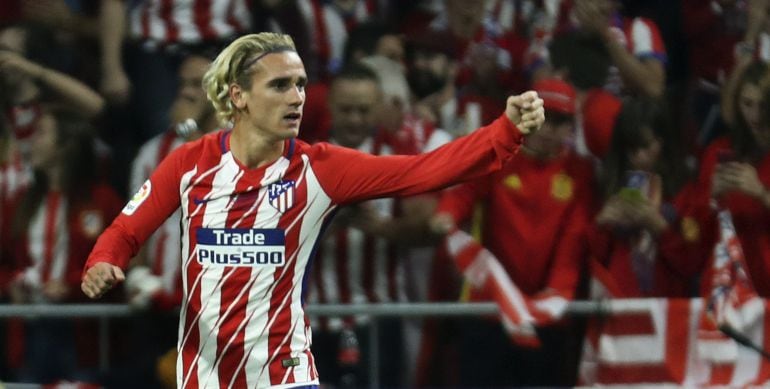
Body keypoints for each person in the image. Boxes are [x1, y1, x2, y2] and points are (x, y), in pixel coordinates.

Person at [80, 32, 544, 388]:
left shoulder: (319, 169)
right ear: (239, 96)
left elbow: (424, 170)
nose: (297, 97)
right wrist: (104, 260)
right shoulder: (188, 163)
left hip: (286, 372)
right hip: (206, 375)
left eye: (300, 85)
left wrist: (504, 132)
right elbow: (125, 228)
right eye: (280, 85)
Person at [428, 78, 593, 387]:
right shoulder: (499, 155)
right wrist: (447, 215)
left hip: (545, 315)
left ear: (571, 126)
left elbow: (574, 239)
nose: (549, 130)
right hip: (488, 308)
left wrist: (553, 298)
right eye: (543, 118)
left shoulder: (580, 172)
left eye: (560, 122)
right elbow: (464, 190)